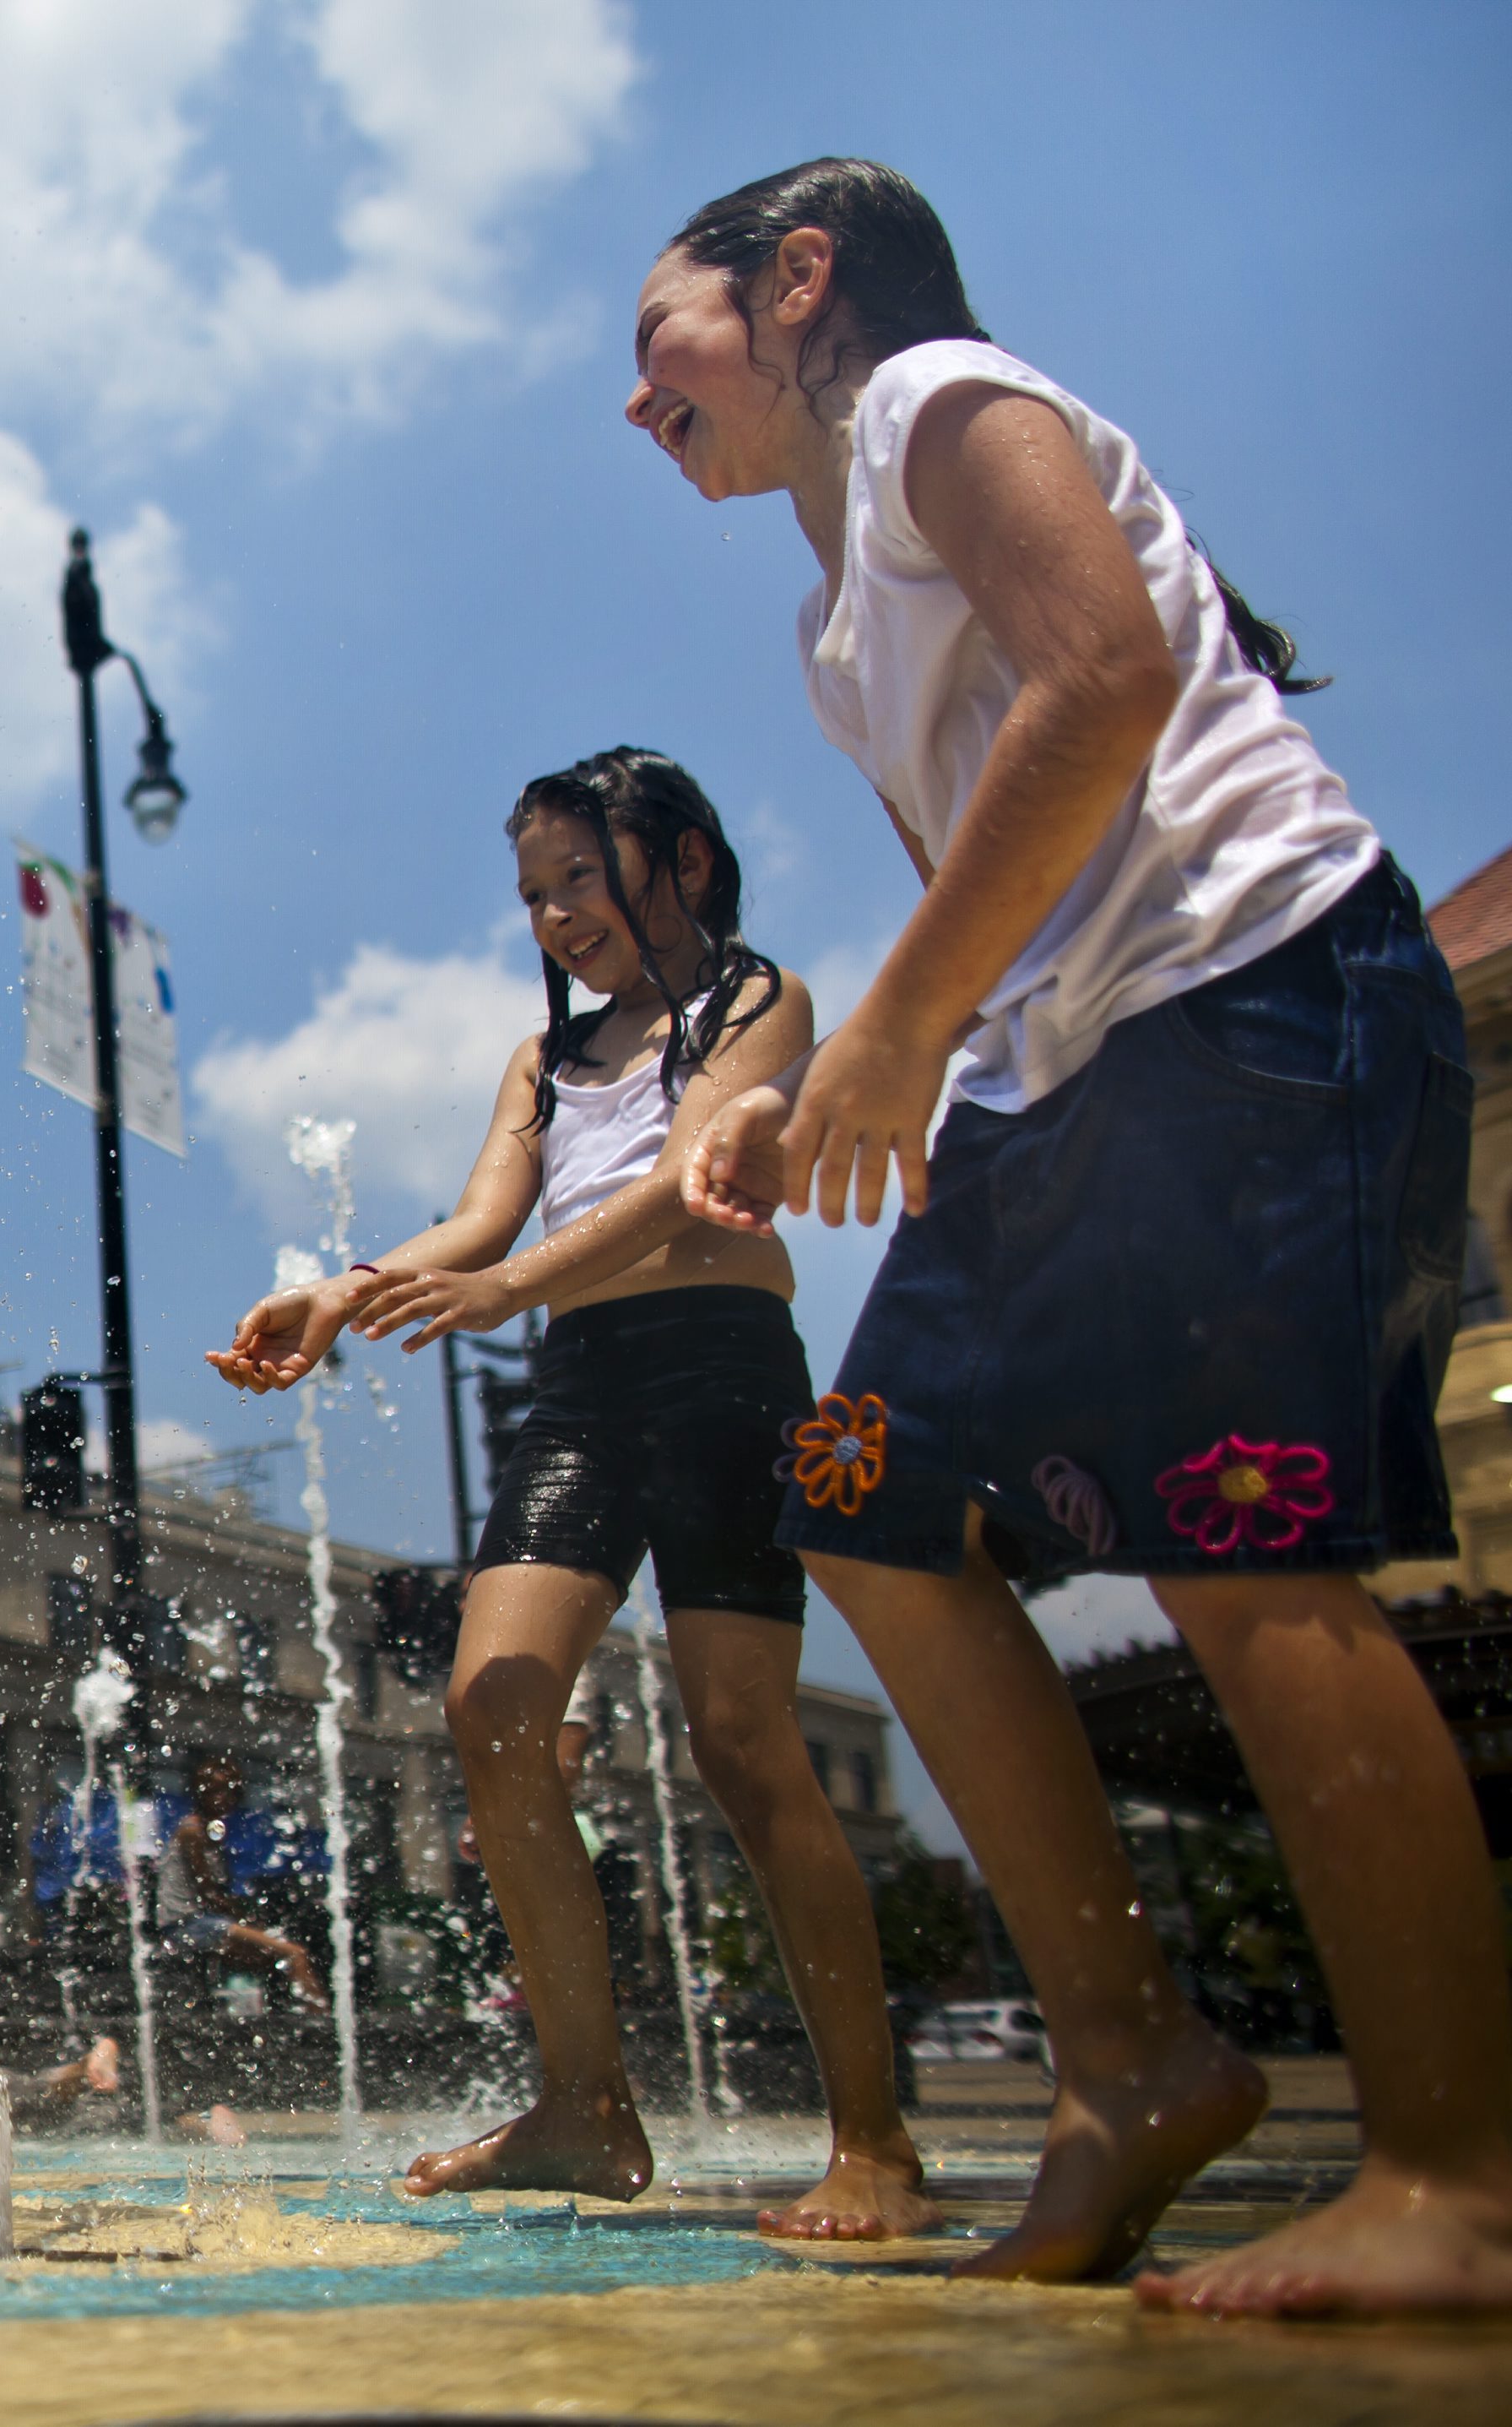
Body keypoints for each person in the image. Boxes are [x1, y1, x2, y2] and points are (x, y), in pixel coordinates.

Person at [628, 159, 1512, 2314]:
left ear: (795, 284)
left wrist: (903, 1032)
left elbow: (1106, 680)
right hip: (1066, 1070)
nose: (632, 399)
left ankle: (1463, 2176)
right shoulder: (834, 594)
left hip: (1264, 994)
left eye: (655, 337)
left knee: (1239, 1545)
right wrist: (846, 1084)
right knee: (855, 1498)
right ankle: (1132, 2061)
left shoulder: (940, 397)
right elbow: (995, 873)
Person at [211, 746, 930, 2241]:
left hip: (723, 1363)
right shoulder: (542, 1060)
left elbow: (687, 1179)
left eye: (577, 876)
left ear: (680, 862)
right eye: (531, 890)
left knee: (742, 1743)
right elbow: (482, 1213)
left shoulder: (758, 1000)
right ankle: (583, 2102)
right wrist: (338, 1294)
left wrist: (514, 1283)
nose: (551, 912)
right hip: (583, 1387)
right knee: (492, 1703)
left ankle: (874, 2132)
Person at [160, 1754, 323, 2006]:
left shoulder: (209, 1830)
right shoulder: (192, 1831)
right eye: (216, 1792)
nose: (223, 1800)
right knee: (294, 1954)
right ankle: (322, 2025)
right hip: (189, 1925)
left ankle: (286, 2017)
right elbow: (208, 1892)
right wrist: (246, 1920)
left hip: (206, 1922)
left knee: (270, 1959)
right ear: (200, 1793)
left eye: (229, 1793)